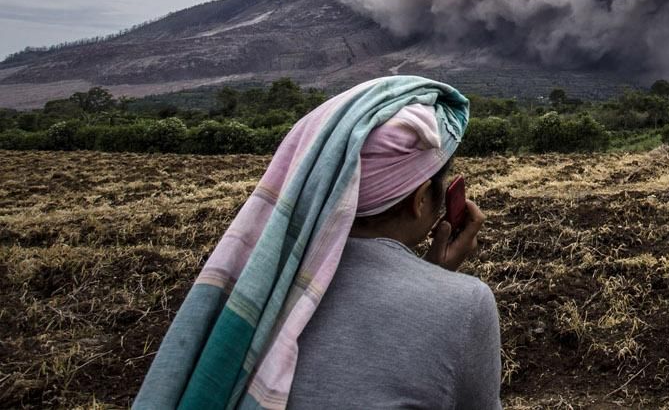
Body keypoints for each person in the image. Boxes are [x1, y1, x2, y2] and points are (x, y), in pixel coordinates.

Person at [135, 76, 500, 410]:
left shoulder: (249, 290)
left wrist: (430, 274)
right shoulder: (467, 304)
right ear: (421, 198)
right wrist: (438, 283)